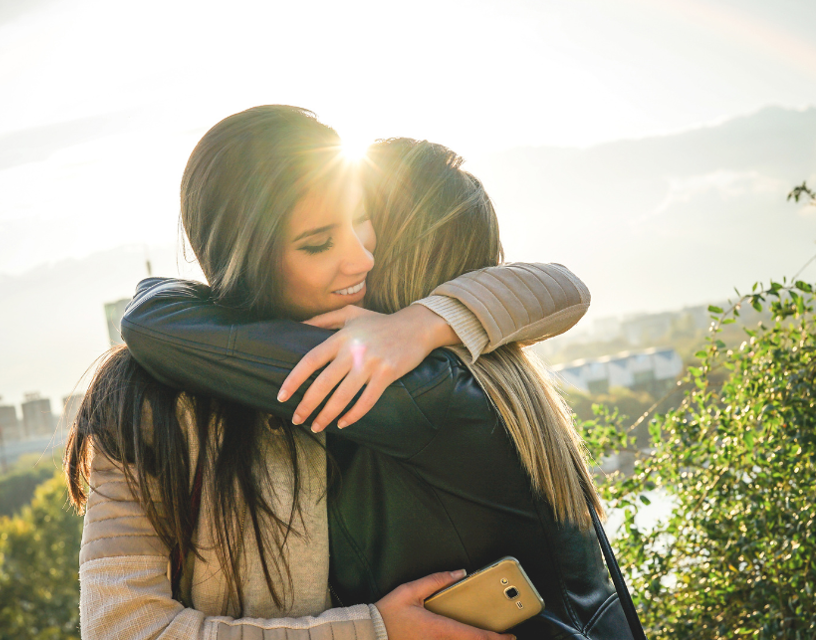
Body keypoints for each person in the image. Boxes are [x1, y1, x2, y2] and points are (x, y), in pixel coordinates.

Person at [66, 105, 585, 640]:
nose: (361, 258)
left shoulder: (381, 369)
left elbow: (564, 288)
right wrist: (373, 631)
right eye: (317, 243)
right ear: (245, 254)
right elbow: (119, 628)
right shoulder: (143, 400)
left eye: (363, 221)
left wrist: (424, 322)